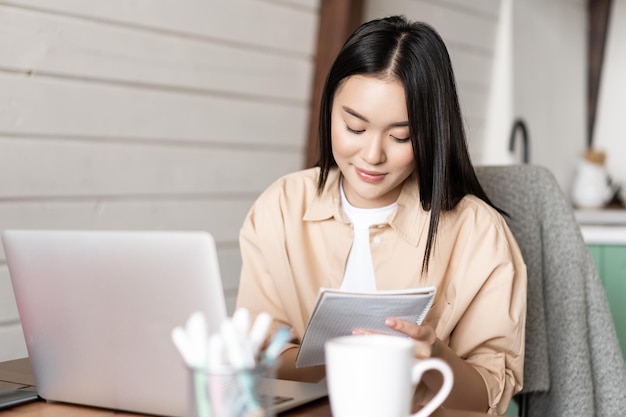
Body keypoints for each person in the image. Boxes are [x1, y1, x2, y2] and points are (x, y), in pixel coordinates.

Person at [236, 15, 526, 415]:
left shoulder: (476, 231)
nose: (373, 155)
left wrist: (435, 357)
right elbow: (259, 354)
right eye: (354, 127)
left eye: (401, 136)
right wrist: (347, 359)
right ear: (330, 110)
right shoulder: (281, 207)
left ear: (432, 131)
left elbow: (491, 395)